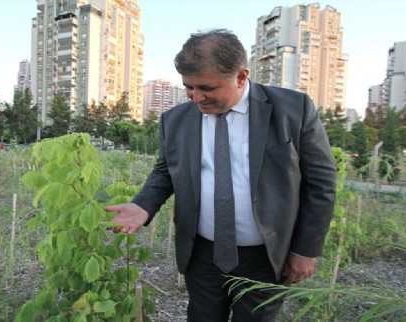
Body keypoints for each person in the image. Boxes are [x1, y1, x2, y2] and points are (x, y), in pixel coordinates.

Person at [105, 29, 336, 321]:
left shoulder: (293, 110)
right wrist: (143, 205)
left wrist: (305, 250)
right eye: (189, 87)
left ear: (241, 77)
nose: (196, 97)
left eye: (206, 88)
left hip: (265, 256)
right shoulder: (175, 120)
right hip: (202, 255)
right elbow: (165, 171)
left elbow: (321, 185)